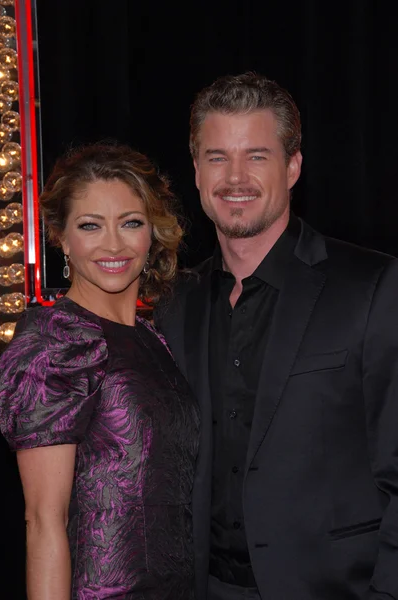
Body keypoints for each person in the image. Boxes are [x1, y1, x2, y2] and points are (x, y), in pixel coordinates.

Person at [154, 72, 398, 600]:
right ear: (196, 171)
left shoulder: (373, 286)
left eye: (257, 156)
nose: (234, 177)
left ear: (293, 167)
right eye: (217, 157)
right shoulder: (176, 303)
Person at [0, 143, 199, 600]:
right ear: (62, 238)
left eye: (130, 223)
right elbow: (43, 522)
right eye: (90, 226)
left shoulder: (155, 338)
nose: (113, 244)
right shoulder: (57, 341)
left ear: (152, 233)